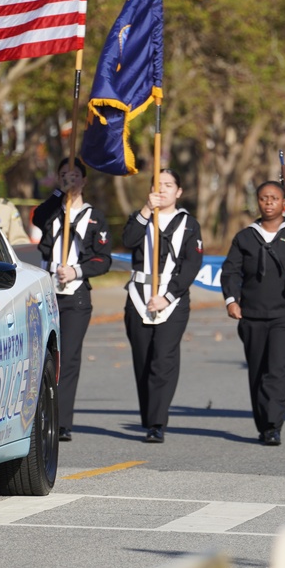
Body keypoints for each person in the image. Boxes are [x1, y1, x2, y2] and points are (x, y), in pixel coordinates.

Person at [222, 181, 285, 445]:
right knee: (257, 371)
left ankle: (273, 425)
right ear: (257, 202)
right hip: (252, 315)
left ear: (284, 204)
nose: (268, 203)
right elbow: (231, 272)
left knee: (276, 369)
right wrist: (232, 301)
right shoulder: (245, 236)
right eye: (263, 198)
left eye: (274, 198)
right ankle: (262, 422)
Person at [32, 158, 112, 442]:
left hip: (75, 295)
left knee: (68, 357)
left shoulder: (94, 217)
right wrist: (58, 193)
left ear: (84, 180)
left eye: (75, 175)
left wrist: (76, 269)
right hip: (48, 291)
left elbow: (104, 259)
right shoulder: (54, 211)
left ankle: (62, 420)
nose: (70, 179)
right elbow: (37, 218)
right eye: (64, 175)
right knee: (42, 355)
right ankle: (38, 414)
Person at [123, 169, 203, 443]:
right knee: (143, 361)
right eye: (158, 185)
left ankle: (158, 422)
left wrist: (167, 296)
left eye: (169, 185)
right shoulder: (142, 217)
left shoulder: (189, 224)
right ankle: (149, 415)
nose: (163, 190)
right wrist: (146, 209)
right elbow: (128, 240)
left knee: (163, 360)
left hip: (172, 301)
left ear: (179, 191)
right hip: (138, 296)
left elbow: (191, 266)